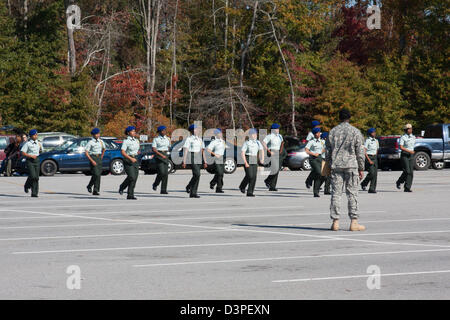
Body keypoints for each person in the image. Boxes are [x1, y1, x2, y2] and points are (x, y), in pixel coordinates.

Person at [325, 109, 366, 231]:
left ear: (339, 118)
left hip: (336, 166)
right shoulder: (355, 132)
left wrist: (328, 164)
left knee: (336, 194)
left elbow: (327, 151)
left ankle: (335, 222)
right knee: (352, 193)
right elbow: (360, 152)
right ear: (349, 117)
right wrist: (361, 168)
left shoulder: (332, 132)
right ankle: (354, 222)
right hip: (351, 166)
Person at [183, 124, 207, 198]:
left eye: (196, 129)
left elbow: (203, 151)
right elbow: (186, 150)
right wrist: (184, 161)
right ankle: (189, 186)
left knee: (197, 175)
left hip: (199, 156)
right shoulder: (189, 139)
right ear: (191, 131)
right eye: (194, 129)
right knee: (197, 174)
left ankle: (193, 193)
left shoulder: (200, 139)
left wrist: (205, 161)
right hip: (192, 156)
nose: (195, 130)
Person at [239, 128, 264, 197]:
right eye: (253, 134)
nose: (255, 135)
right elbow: (242, 153)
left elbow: (262, 150)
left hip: (254, 158)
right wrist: (245, 162)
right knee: (249, 175)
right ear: (250, 135)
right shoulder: (246, 143)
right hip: (247, 158)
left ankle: (250, 192)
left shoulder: (258, 142)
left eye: (255, 134)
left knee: (254, 177)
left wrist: (262, 159)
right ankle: (242, 186)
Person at [262, 123, 286, 191]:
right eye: (276, 128)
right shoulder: (269, 136)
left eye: (278, 128)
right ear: (273, 130)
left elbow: (282, 143)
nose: (278, 130)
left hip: (278, 152)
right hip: (272, 152)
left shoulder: (280, 136)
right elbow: (263, 143)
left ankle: (272, 186)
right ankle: (267, 180)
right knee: (275, 168)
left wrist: (281, 151)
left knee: (277, 170)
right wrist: (268, 151)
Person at [119, 126, 140, 200]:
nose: (134, 132)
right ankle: (122, 186)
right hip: (128, 160)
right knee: (131, 176)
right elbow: (122, 151)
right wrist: (130, 158)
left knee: (135, 178)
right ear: (128, 133)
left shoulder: (136, 140)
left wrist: (136, 154)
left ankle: (130, 195)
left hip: (135, 159)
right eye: (132, 131)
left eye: (134, 131)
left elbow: (137, 150)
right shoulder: (126, 141)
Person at [21, 129, 42, 197]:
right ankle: (27, 185)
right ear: (31, 136)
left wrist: (41, 149)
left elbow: (41, 151)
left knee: (36, 177)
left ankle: (34, 193)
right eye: (35, 135)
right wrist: (30, 155)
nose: (36, 136)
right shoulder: (27, 143)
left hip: (37, 160)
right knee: (32, 176)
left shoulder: (38, 143)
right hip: (30, 160)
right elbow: (23, 152)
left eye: (36, 134)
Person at [85, 128, 106, 196]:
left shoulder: (101, 141)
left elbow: (104, 149)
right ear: (93, 135)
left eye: (99, 133)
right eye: (97, 134)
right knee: (96, 174)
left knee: (98, 175)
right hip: (93, 157)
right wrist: (92, 160)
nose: (98, 135)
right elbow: (86, 152)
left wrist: (101, 156)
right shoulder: (90, 142)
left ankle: (95, 190)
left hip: (99, 157)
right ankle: (90, 185)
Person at [305, 127, 325, 197]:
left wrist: (320, 152)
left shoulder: (321, 141)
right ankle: (309, 180)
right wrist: (313, 154)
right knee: (318, 172)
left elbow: (324, 148)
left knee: (318, 174)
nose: (319, 134)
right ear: (314, 134)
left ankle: (316, 192)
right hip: (313, 159)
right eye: (317, 133)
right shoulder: (311, 141)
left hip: (320, 158)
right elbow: (306, 150)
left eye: (319, 133)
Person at [396, 124, 415, 192]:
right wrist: (409, 151)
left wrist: (411, 151)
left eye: (411, 128)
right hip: (405, 155)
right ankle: (399, 181)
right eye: (409, 129)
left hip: (411, 155)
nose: (411, 130)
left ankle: (407, 187)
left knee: (411, 172)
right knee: (407, 171)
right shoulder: (403, 137)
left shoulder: (413, 137)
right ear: (406, 130)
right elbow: (401, 147)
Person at [152, 125, 171, 194]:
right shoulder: (156, 139)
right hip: (159, 155)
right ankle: (155, 184)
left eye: (165, 130)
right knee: (162, 172)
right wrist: (161, 155)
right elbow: (154, 149)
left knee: (165, 173)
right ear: (159, 132)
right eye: (163, 130)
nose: (164, 132)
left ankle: (163, 189)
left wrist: (166, 154)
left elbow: (169, 147)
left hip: (165, 155)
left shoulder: (168, 139)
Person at [206, 128, 226, 193]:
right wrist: (215, 154)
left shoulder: (222, 141)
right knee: (219, 173)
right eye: (219, 133)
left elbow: (224, 148)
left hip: (222, 158)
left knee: (221, 173)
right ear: (216, 134)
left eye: (221, 133)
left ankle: (214, 184)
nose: (220, 134)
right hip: (216, 158)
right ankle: (218, 187)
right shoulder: (214, 141)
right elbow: (208, 149)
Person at [361, 128, 379, 193]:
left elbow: (377, 149)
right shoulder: (367, 140)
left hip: (374, 157)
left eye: (374, 132)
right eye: (372, 132)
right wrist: (369, 160)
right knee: (371, 173)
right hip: (369, 157)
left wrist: (375, 156)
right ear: (370, 133)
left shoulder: (376, 141)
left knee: (375, 174)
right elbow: (364, 151)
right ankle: (364, 183)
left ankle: (372, 188)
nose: (374, 133)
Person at [305, 120, 321, 189]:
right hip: (313, 153)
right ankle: (309, 181)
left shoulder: (318, 132)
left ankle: (312, 182)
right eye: (317, 125)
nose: (319, 126)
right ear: (315, 126)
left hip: (319, 153)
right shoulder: (311, 134)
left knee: (316, 170)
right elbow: (308, 143)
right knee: (316, 170)